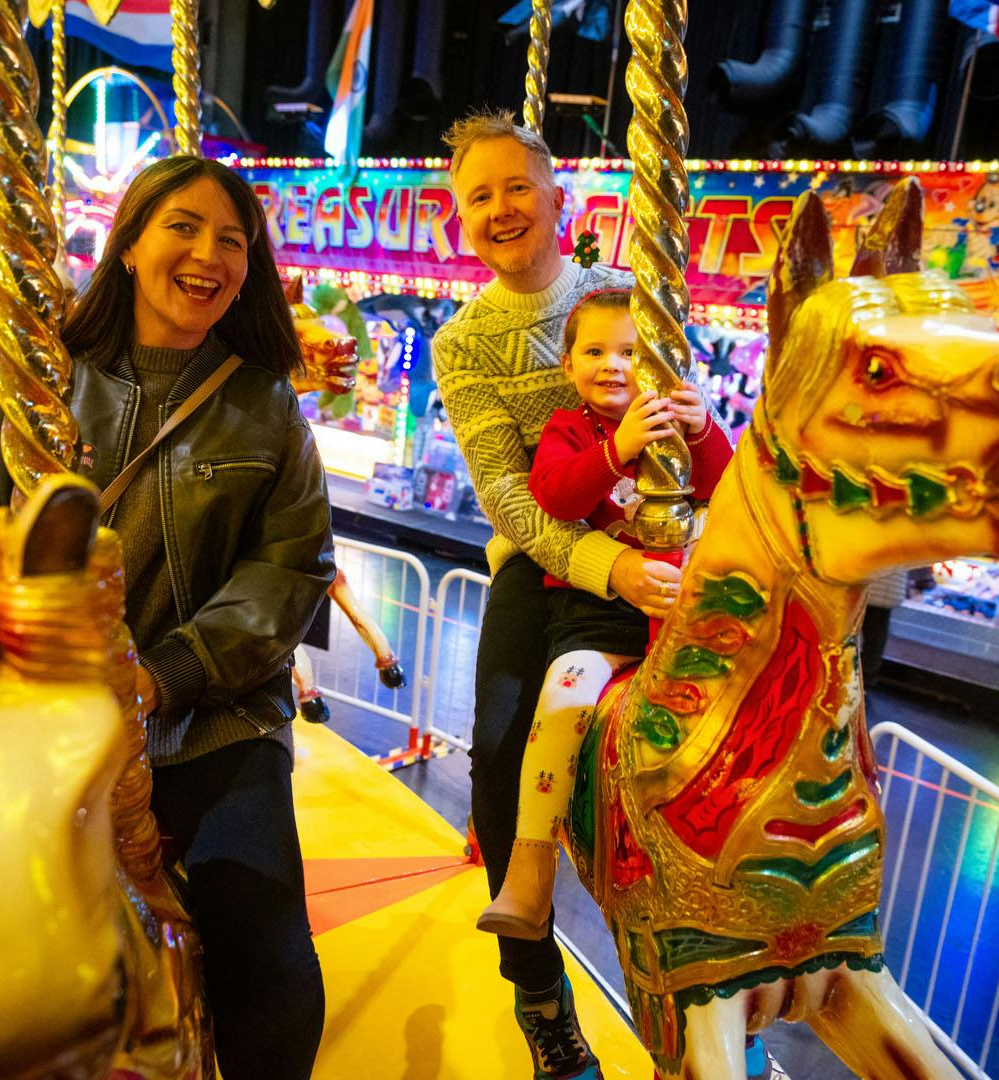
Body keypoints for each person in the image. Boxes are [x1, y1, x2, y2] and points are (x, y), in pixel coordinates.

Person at [0, 155, 334, 1080]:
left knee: (271, 960)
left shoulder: (265, 411)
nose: (209, 252)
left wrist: (162, 674)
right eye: (184, 226)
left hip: (208, 725)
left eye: (233, 240)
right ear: (130, 244)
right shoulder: (30, 391)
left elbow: (291, 569)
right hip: (27, 727)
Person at [431, 106, 682, 1078]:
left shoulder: (625, 302)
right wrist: (608, 566)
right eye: (477, 196)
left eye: (515, 187)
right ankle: (541, 996)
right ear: (460, 218)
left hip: (657, 548)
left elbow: (688, 422)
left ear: (556, 198)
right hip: (547, 572)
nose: (499, 208)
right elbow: (506, 494)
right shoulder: (464, 345)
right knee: (497, 753)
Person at [476, 288, 733, 940]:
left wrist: (701, 429)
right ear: (568, 366)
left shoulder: (674, 427)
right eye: (595, 351)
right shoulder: (570, 428)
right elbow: (554, 496)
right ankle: (531, 867)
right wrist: (617, 448)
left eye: (630, 352)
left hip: (673, 612)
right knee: (565, 700)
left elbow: (723, 487)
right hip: (596, 611)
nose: (614, 365)